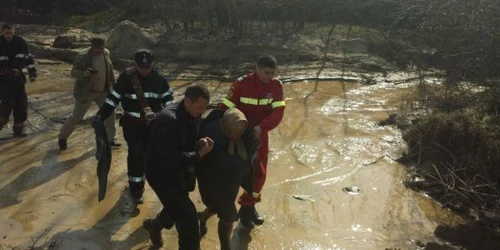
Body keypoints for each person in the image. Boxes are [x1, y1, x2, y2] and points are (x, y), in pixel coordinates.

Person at [93, 49, 173, 204]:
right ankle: (136, 189)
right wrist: (100, 116)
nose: (144, 71)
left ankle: (160, 187)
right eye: (141, 68)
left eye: (147, 68)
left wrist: (170, 120)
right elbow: (112, 100)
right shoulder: (126, 79)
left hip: (153, 127)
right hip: (132, 126)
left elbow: (169, 102)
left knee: (152, 157)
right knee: (136, 154)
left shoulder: (160, 80)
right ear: (135, 65)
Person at [143, 84, 213, 250]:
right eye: (199, 107)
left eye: (205, 108)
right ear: (187, 101)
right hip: (161, 175)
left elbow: (189, 138)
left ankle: (154, 225)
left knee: (175, 208)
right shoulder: (168, 119)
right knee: (188, 220)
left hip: (179, 171)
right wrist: (198, 155)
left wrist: (200, 142)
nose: (202, 112)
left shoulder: (193, 113)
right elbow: (171, 159)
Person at [219, 55, 286, 228]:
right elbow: (225, 108)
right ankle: (225, 209)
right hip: (238, 134)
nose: (269, 76)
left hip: (259, 134)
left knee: (259, 173)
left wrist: (261, 127)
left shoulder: (276, 86)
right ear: (256, 69)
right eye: (266, 72)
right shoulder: (241, 84)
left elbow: (278, 111)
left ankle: (248, 208)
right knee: (235, 172)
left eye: (272, 73)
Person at [197, 108, 258, 250]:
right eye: (234, 132)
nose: (238, 135)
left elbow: (250, 159)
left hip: (232, 183)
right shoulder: (209, 134)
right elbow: (197, 159)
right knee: (229, 216)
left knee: (215, 208)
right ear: (224, 126)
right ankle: (226, 247)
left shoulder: (247, 135)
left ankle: (201, 217)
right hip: (212, 182)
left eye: (240, 131)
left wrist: (250, 185)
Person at [58, 37, 119, 150]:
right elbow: (73, 72)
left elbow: (109, 70)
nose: (99, 50)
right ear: (92, 46)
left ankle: (110, 139)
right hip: (86, 91)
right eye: (97, 48)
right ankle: (62, 137)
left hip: (103, 91)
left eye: (101, 48)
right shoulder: (83, 56)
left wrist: (114, 85)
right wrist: (84, 74)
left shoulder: (106, 53)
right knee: (77, 117)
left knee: (110, 114)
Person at [0, 23, 37, 135]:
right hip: (3, 80)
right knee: (8, 103)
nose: (9, 35)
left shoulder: (20, 42)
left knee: (22, 104)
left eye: (11, 32)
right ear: (1, 32)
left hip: (19, 79)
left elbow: (28, 59)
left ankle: (18, 130)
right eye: (7, 33)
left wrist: (32, 74)